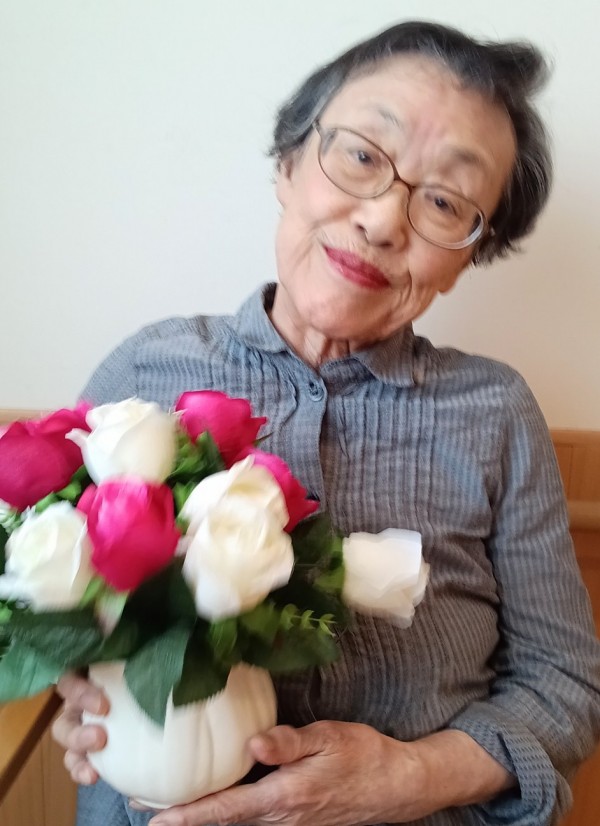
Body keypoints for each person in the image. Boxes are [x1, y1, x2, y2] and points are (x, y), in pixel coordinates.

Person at [52, 20, 600, 826]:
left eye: (444, 202)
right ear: (289, 163)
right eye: (363, 156)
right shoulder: (143, 375)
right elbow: (51, 602)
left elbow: (566, 684)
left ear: (466, 259)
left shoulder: (496, 412)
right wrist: (73, 687)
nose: (382, 221)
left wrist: (411, 775)